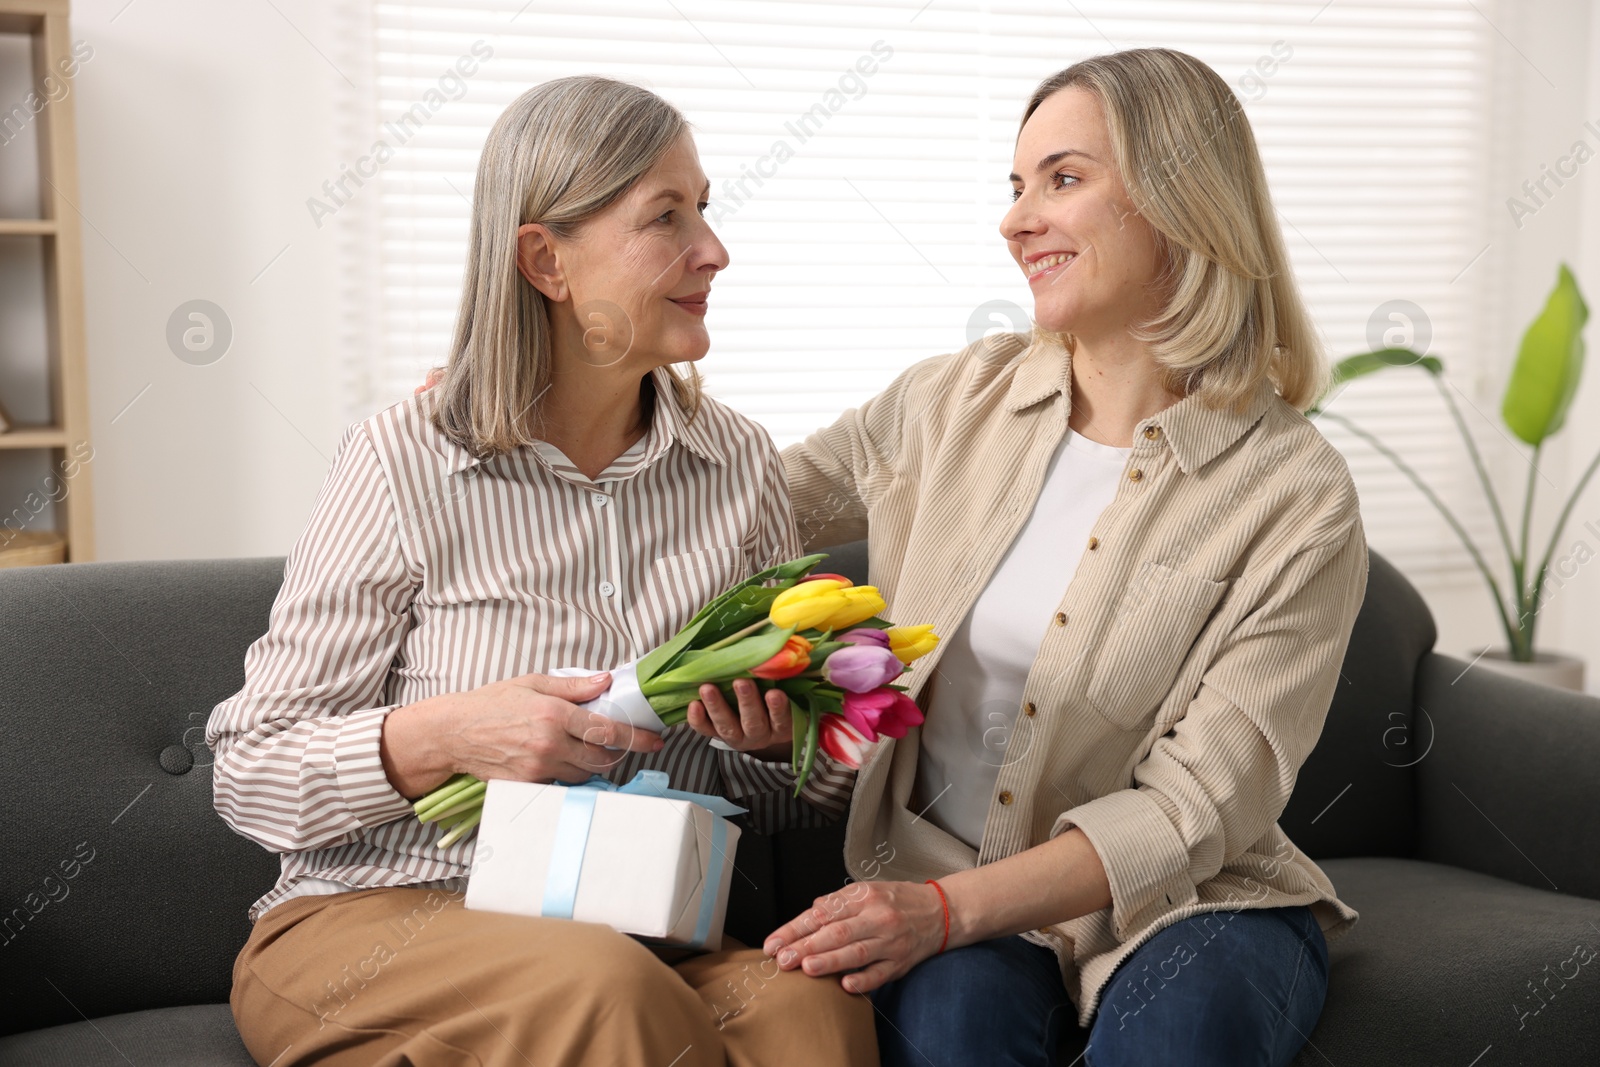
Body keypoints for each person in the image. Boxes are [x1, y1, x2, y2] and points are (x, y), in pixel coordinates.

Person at [208, 76, 876, 1067]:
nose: (713, 249)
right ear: (543, 259)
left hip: (639, 926)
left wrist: (771, 746)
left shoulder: (735, 464)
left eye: (705, 207)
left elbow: (780, 797)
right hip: (377, 920)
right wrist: (446, 732)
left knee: (806, 1012)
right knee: (600, 989)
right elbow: (250, 770)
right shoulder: (404, 457)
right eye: (666, 217)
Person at [760, 47, 1367, 1067]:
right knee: (957, 1027)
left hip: (1194, 905)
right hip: (943, 880)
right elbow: (735, 502)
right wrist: (551, 401)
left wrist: (943, 910)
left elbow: (1193, 808)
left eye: (1064, 179)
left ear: (1182, 199)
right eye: (1016, 185)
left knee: (1178, 1032)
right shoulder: (948, 404)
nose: (1014, 220)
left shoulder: (1296, 494)